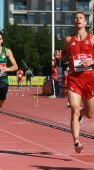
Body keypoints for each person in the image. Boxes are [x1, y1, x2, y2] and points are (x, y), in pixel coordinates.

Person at [54, 12, 94, 154]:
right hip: (74, 80)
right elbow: (64, 53)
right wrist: (60, 56)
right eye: (75, 18)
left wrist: (91, 61)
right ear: (73, 22)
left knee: (89, 113)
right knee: (75, 109)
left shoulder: (92, 39)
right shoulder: (68, 39)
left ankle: (82, 115)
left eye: (80, 18)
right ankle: (76, 142)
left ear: (85, 22)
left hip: (90, 80)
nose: (78, 20)